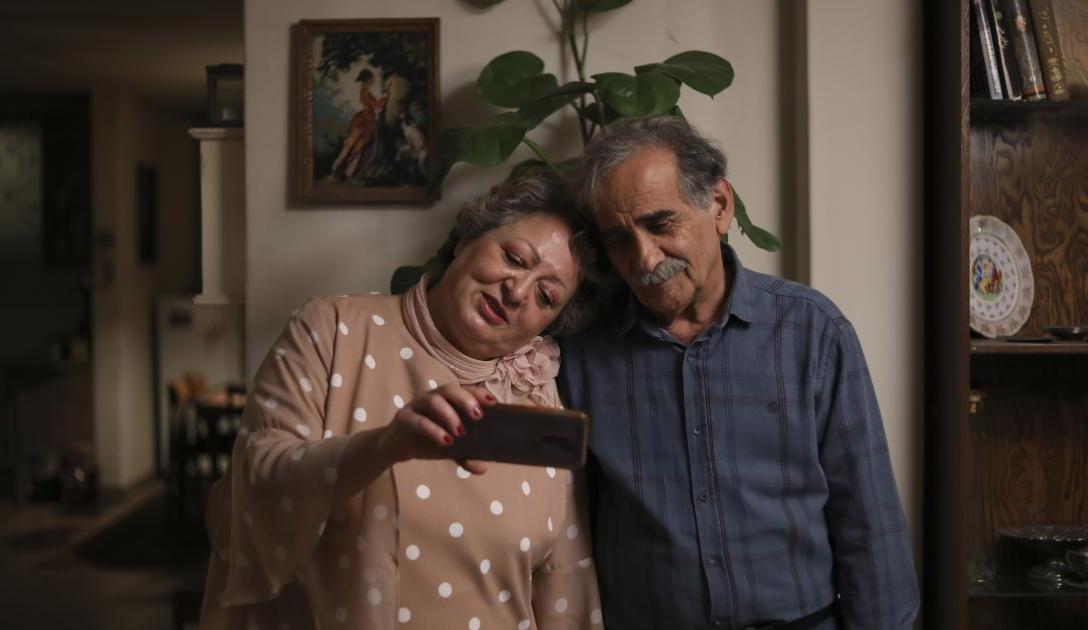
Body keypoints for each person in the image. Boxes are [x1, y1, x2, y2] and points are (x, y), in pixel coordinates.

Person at [200, 169, 605, 629]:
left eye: (545, 296)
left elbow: (566, 579)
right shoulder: (333, 329)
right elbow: (251, 495)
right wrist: (384, 446)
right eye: (513, 258)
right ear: (466, 239)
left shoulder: (540, 392)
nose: (516, 291)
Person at [559, 116, 919, 629]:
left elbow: (869, 525)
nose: (644, 258)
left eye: (660, 224)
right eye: (619, 239)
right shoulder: (578, 353)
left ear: (719, 206)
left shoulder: (812, 332)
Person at [330, 68, 386, 181]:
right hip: (366, 121)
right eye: (372, 78)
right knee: (355, 147)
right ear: (368, 80)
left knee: (356, 147)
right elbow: (376, 105)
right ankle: (339, 171)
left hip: (366, 119)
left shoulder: (365, 91)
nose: (374, 80)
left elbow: (374, 105)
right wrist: (385, 98)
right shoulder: (365, 92)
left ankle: (344, 172)